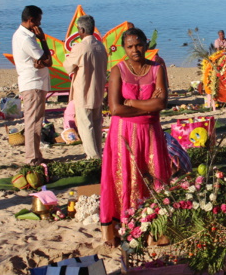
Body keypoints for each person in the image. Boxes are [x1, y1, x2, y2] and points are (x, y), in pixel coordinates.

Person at [99, 27, 171, 246]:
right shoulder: (117, 70)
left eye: (138, 45)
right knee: (125, 178)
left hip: (150, 132)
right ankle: (125, 226)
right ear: (124, 48)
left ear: (146, 44)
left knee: (153, 175)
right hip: (124, 133)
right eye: (129, 46)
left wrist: (132, 103)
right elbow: (115, 109)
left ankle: (154, 229)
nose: (135, 50)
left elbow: (161, 104)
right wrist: (147, 108)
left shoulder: (157, 68)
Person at [11, 5, 52, 165]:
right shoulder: (26, 38)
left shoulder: (22, 35)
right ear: (31, 20)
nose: (40, 25)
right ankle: (33, 158)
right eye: (39, 21)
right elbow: (47, 59)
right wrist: (43, 39)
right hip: (33, 83)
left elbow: (43, 61)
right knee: (33, 122)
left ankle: (36, 155)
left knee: (35, 121)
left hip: (33, 82)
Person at [63, 15, 108, 159]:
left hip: (84, 91)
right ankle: (97, 153)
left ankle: (93, 156)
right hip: (98, 90)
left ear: (81, 30)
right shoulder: (100, 46)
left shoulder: (81, 47)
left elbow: (67, 66)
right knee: (95, 124)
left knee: (85, 126)